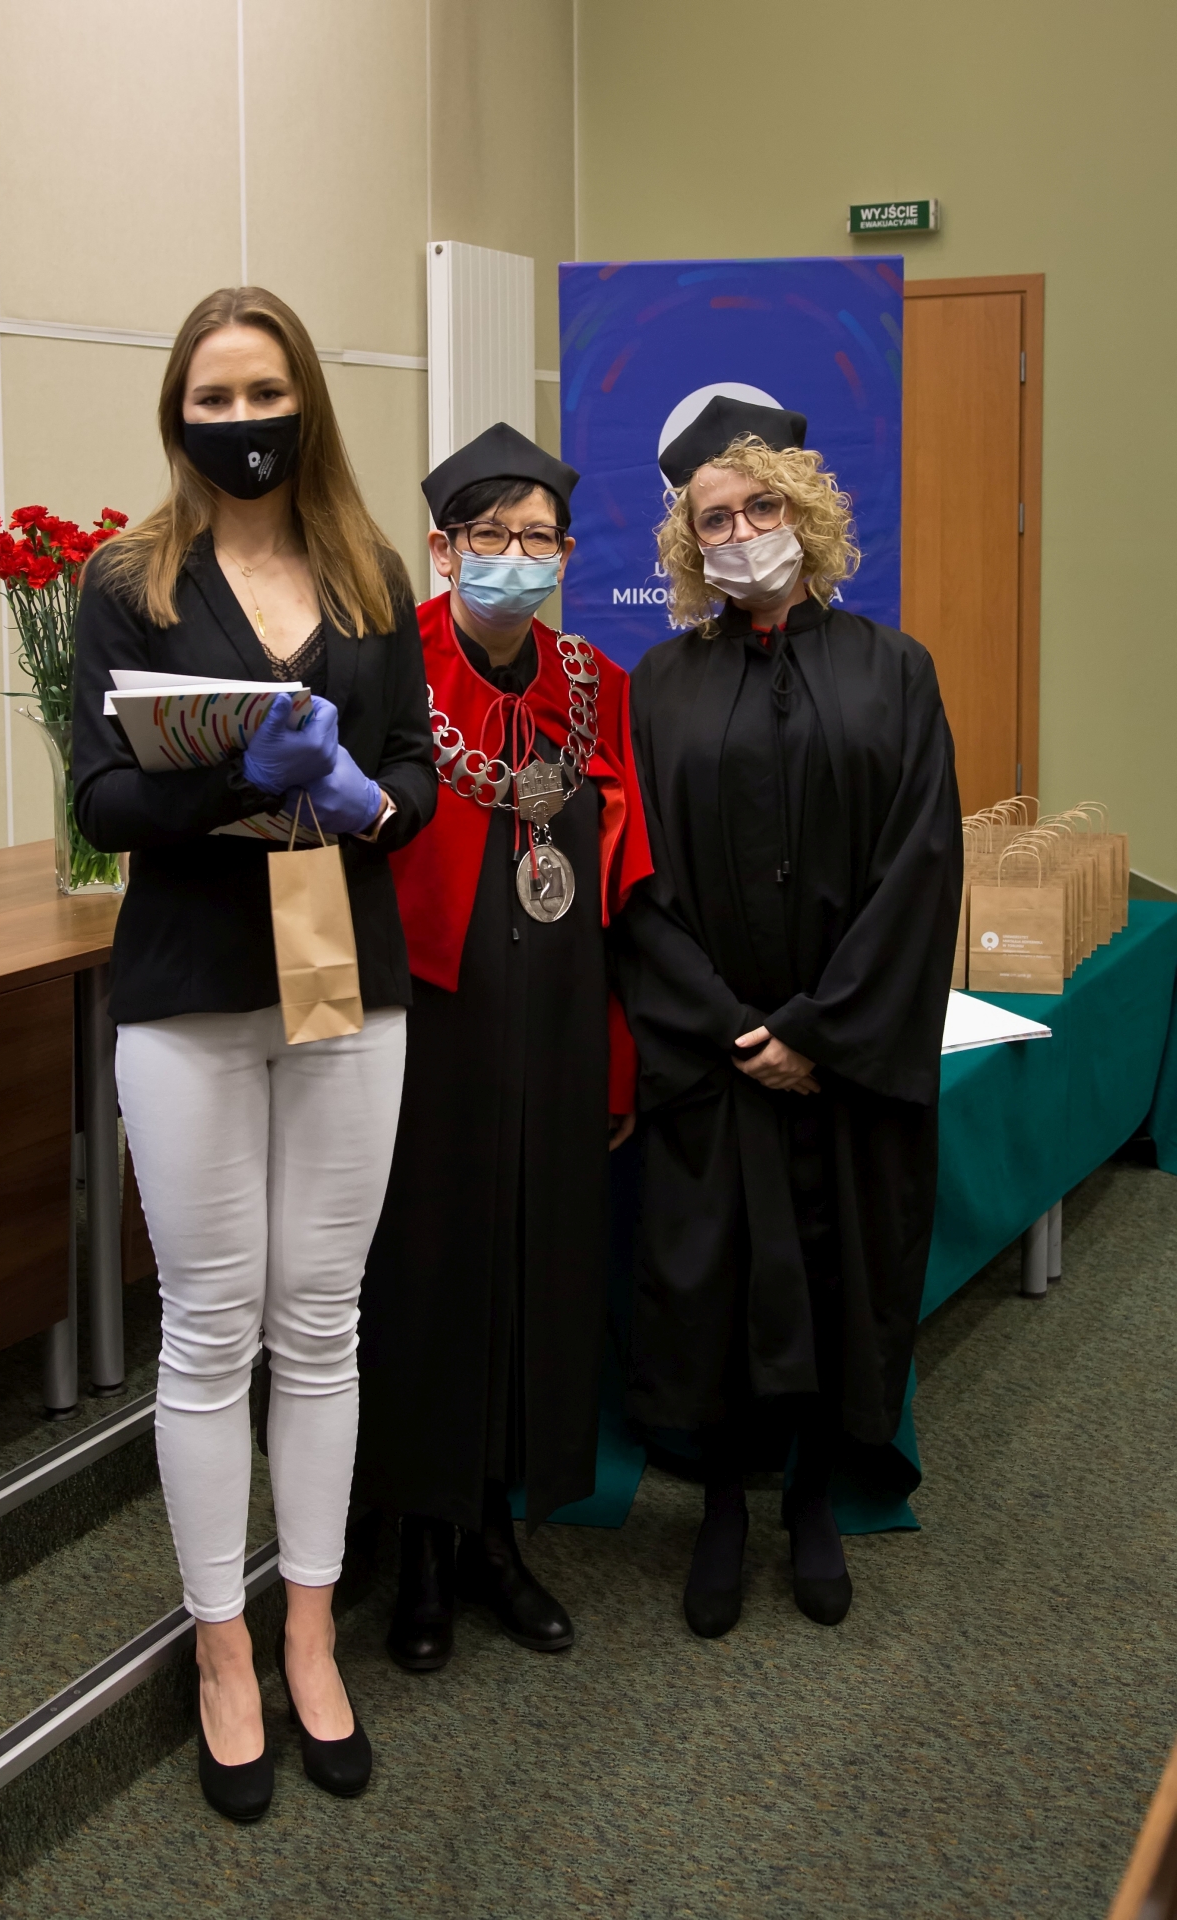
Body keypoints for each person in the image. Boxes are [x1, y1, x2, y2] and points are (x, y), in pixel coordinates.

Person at [72, 286, 436, 1821]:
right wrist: (234, 773)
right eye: (212, 398)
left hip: (346, 978)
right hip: (191, 989)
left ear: (306, 404)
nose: (241, 422)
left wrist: (366, 800)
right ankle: (221, 1645)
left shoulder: (370, 572)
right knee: (213, 1329)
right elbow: (100, 797)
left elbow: (413, 778)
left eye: (263, 392)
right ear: (178, 414)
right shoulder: (129, 581)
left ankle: (308, 1631)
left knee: (324, 1321)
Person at [614, 396, 961, 1639]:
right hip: (713, 1059)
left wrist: (816, 1030)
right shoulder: (659, 685)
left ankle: (813, 1499)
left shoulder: (892, 670)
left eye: (761, 506)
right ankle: (719, 1504)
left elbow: (920, 866)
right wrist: (727, 1027)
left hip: (842, 1060)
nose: (741, 532)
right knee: (710, 1280)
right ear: (687, 544)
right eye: (713, 519)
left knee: (834, 1272)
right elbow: (634, 880)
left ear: (805, 514)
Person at [353, 422, 652, 1672]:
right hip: (430, 1022)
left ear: (567, 555)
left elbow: (623, 886)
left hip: (557, 1021)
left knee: (538, 1267)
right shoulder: (388, 667)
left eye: (539, 539)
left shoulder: (595, 683)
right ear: (443, 548)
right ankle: (418, 1545)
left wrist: (614, 1057)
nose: (515, 558)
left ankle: (495, 1532)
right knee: (429, 1275)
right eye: (491, 536)